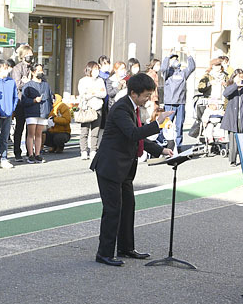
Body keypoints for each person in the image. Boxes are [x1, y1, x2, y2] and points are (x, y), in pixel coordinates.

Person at [91, 73, 176, 266]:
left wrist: (160, 149)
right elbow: (133, 133)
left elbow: (138, 138)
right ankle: (104, 253)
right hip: (110, 166)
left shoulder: (132, 107)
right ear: (133, 93)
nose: (148, 99)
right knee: (113, 210)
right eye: (145, 95)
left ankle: (126, 248)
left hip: (124, 167)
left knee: (128, 208)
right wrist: (158, 123)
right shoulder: (122, 108)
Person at [159, 49, 197, 150]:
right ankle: (164, 144)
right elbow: (163, 68)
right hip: (170, 103)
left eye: (176, 59)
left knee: (179, 126)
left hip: (180, 103)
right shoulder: (167, 73)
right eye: (173, 59)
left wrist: (189, 56)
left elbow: (192, 67)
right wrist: (167, 57)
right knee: (166, 125)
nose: (175, 61)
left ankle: (178, 146)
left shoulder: (183, 73)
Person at [221, 70, 243, 166]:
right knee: (233, 140)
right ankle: (232, 160)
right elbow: (225, 93)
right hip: (232, 117)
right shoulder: (231, 87)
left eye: (242, 77)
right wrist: (236, 85)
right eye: (238, 76)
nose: (240, 79)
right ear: (234, 77)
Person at [21, 63, 52, 163]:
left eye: (41, 70)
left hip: (43, 112)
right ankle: (30, 154)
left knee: (39, 134)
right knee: (31, 134)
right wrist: (34, 100)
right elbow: (24, 101)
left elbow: (50, 97)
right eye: (38, 70)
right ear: (33, 72)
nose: (41, 72)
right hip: (31, 112)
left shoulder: (46, 84)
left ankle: (38, 154)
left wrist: (49, 109)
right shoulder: (28, 85)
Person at [77, 61, 108, 160]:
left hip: (98, 107)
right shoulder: (83, 80)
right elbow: (83, 94)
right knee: (84, 131)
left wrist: (92, 92)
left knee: (95, 131)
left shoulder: (100, 81)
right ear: (89, 69)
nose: (96, 71)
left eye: (97, 69)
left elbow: (103, 94)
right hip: (87, 108)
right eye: (95, 69)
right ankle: (84, 151)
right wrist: (95, 92)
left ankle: (93, 150)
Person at [11, 45, 34, 160]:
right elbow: (17, 84)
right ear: (23, 56)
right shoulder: (17, 68)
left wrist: (28, 81)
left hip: (32, 102)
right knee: (19, 127)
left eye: (31, 54)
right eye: (28, 55)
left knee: (31, 128)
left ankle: (30, 151)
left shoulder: (33, 68)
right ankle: (17, 152)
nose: (31, 57)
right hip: (20, 101)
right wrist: (28, 82)